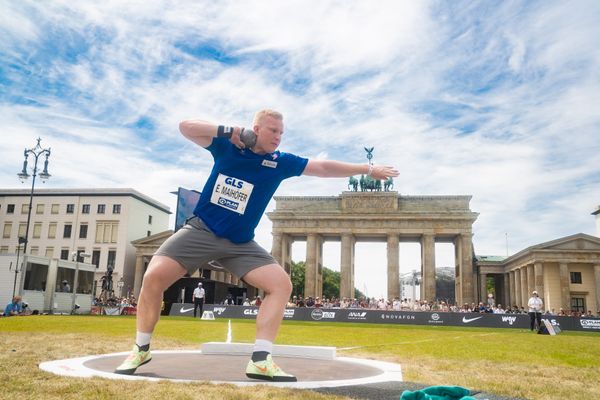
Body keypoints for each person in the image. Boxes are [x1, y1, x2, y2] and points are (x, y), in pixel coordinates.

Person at [114, 109, 398, 381]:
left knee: (281, 285)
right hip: (202, 230)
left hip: (240, 242)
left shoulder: (281, 161)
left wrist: (367, 169)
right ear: (256, 129)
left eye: (282, 132)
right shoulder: (228, 147)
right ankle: (141, 350)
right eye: (273, 130)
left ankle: (261, 360)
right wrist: (232, 131)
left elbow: (322, 167)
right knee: (152, 277)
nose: (278, 136)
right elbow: (185, 127)